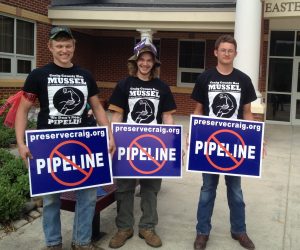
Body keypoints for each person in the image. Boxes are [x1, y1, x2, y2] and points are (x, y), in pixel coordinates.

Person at [15, 26, 115, 250]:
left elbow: (97, 107)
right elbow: (22, 110)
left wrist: (109, 134)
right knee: (51, 199)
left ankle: (81, 242)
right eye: (59, 45)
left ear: (74, 47)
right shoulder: (38, 75)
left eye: (68, 45)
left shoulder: (85, 75)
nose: (64, 49)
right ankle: (53, 243)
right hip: (48, 146)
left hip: (84, 144)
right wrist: (21, 143)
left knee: (88, 197)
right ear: (50, 47)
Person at [108, 38, 176, 248]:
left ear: (154, 64)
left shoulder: (162, 87)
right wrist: (111, 138)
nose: (145, 64)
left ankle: (147, 227)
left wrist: (173, 143)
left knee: (150, 187)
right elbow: (117, 116)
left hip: (153, 144)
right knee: (125, 187)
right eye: (142, 59)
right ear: (135, 62)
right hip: (127, 144)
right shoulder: (124, 84)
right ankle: (124, 227)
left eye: (149, 60)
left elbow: (167, 117)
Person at [191, 34, 257, 250]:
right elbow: (199, 112)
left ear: (235, 54)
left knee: (235, 190)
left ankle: (239, 230)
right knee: (207, 189)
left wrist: (257, 138)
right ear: (216, 52)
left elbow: (247, 113)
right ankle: (202, 232)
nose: (226, 53)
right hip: (210, 143)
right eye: (223, 50)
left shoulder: (243, 80)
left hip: (234, 144)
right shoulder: (205, 78)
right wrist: (193, 137)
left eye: (230, 50)